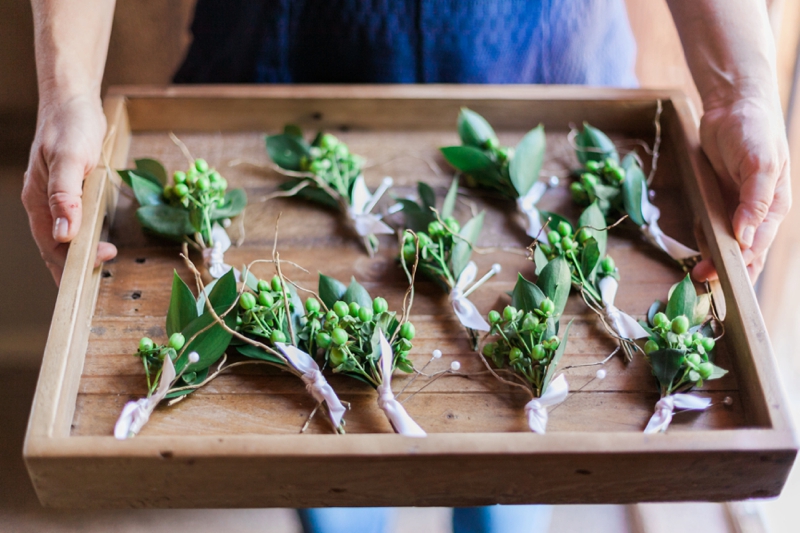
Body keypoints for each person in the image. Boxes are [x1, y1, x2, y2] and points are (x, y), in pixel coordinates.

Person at [22, 1, 791, 532]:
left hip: (541, 64)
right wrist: (63, 92)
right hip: (274, 60)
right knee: (333, 471)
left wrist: (740, 89)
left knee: (521, 469)